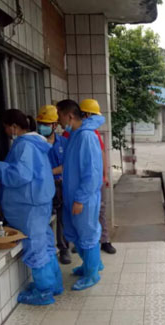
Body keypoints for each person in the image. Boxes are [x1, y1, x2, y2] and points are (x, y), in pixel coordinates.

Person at [0, 109, 63, 305]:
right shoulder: (37, 143)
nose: (5, 132)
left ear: (13, 127)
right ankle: (54, 285)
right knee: (45, 244)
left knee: (36, 248)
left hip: (30, 206)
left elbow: (21, 175)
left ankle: (44, 292)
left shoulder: (24, 145)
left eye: (5, 128)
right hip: (39, 202)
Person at [56, 99, 104, 291]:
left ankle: (92, 274)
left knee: (87, 235)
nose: (58, 120)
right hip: (74, 197)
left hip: (83, 199)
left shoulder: (86, 136)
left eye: (59, 115)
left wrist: (80, 199)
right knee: (77, 233)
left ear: (69, 115)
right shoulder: (75, 135)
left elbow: (91, 173)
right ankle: (89, 265)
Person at [79, 99, 116, 254]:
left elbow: (102, 153)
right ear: (85, 115)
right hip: (83, 182)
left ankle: (104, 241)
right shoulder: (75, 134)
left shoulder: (92, 133)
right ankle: (83, 243)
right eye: (93, 116)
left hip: (96, 180)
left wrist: (105, 175)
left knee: (100, 209)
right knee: (85, 214)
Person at [36, 105, 71, 264]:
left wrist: (51, 171)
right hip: (43, 187)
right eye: (41, 123)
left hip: (61, 184)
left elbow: (69, 164)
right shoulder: (35, 143)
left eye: (46, 124)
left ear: (55, 125)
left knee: (63, 218)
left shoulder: (63, 142)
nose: (43, 127)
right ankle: (49, 250)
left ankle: (64, 249)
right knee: (46, 217)